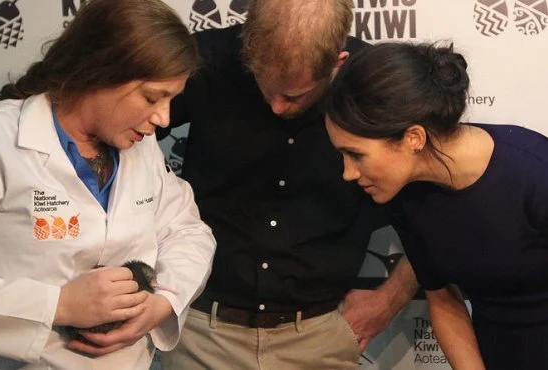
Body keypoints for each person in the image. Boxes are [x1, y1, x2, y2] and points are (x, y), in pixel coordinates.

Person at [0, 0, 216, 368]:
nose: (164, 117)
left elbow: (188, 230)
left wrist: (164, 301)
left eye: (172, 99)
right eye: (153, 97)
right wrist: (58, 305)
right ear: (100, 72)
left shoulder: (139, 146)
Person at [158, 1, 418, 369]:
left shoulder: (377, 82)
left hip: (321, 337)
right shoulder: (205, 60)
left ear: (338, 63)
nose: (277, 107)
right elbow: (115, 140)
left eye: (295, 95)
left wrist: (393, 295)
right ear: (247, 48)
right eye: (266, 89)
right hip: (201, 334)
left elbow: (440, 199)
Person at [324, 41, 548, 370]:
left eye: (356, 154)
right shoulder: (404, 196)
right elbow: (443, 300)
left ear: (413, 138)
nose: (348, 172)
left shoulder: (534, 174)